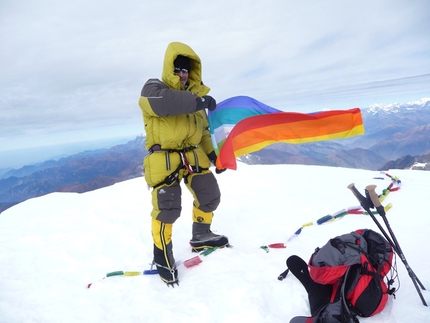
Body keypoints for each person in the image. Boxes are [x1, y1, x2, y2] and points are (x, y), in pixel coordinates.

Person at [138, 42, 229, 286]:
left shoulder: (194, 98)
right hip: (164, 158)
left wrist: (215, 156)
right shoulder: (153, 89)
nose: (182, 74)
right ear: (169, 68)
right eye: (177, 69)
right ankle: (161, 255)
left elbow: (204, 132)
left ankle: (201, 235)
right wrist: (198, 101)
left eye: (186, 70)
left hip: (192, 155)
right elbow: (168, 103)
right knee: (167, 209)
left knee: (210, 195)